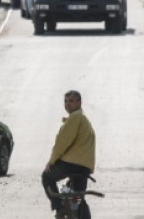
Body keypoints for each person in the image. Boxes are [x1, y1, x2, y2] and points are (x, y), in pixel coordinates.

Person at [42, 90, 96, 219]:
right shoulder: (84, 120)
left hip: (71, 164)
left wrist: (52, 161)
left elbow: (62, 142)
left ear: (79, 103)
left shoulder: (75, 117)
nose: (67, 104)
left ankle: (59, 209)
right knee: (79, 198)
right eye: (65, 101)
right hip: (84, 167)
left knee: (46, 177)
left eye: (71, 101)